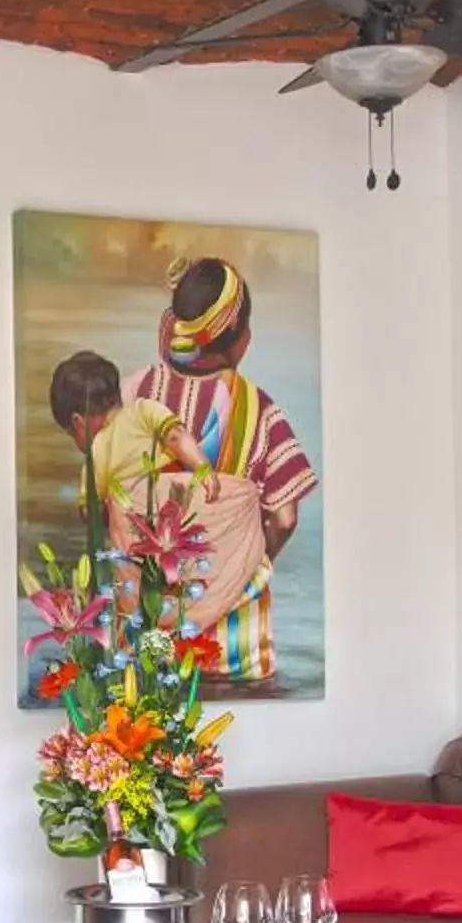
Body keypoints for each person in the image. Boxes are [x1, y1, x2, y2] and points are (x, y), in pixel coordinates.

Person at [126, 256, 316, 684]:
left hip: (153, 627)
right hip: (236, 647)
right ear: (242, 340)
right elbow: (285, 518)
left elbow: (108, 500)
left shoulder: (136, 393)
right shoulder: (259, 410)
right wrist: (242, 563)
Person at [46, 349, 264, 647]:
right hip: (172, 509)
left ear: (78, 422)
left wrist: (115, 513)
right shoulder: (143, 409)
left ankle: (146, 636)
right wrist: (203, 469)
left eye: (72, 434)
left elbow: (93, 515)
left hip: (139, 525)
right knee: (243, 496)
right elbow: (176, 438)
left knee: (136, 590)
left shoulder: (96, 452)